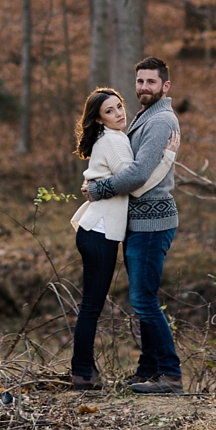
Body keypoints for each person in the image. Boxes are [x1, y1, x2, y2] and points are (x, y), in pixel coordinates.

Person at [82, 56, 183, 394]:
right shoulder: (144, 117)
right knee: (143, 298)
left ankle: (169, 374)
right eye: (139, 82)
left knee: (143, 300)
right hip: (139, 222)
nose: (143, 88)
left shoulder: (159, 121)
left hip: (153, 222)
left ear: (165, 86)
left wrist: (98, 188)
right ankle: (148, 370)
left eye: (151, 82)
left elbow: (138, 176)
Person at [68, 87, 133, 389]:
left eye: (119, 106)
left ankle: (84, 369)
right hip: (99, 232)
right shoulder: (113, 142)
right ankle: (82, 372)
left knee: (91, 305)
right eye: (110, 110)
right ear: (99, 118)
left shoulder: (114, 139)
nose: (119, 113)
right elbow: (133, 181)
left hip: (97, 230)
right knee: (92, 306)